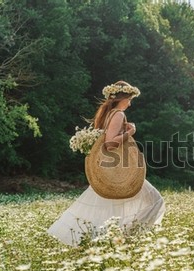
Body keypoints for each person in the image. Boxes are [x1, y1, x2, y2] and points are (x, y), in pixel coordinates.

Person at [48, 81, 165, 246]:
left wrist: (124, 132)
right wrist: (130, 132)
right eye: (129, 99)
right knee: (156, 200)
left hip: (112, 169)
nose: (130, 103)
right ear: (122, 98)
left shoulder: (109, 114)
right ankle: (129, 238)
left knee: (110, 207)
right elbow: (109, 144)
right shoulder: (118, 114)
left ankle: (112, 240)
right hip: (119, 170)